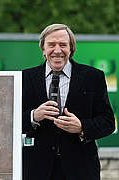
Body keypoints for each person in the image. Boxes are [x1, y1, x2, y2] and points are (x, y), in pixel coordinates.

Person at [22, 24, 115, 180]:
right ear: (43, 49)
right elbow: (9, 122)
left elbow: (108, 122)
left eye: (63, 45)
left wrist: (81, 127)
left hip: (81, 170)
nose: (57, 50)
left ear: (71, 49)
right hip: (36, 170)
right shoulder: (25, 78)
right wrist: (33, 116)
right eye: (51, 45)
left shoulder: (93, 77)